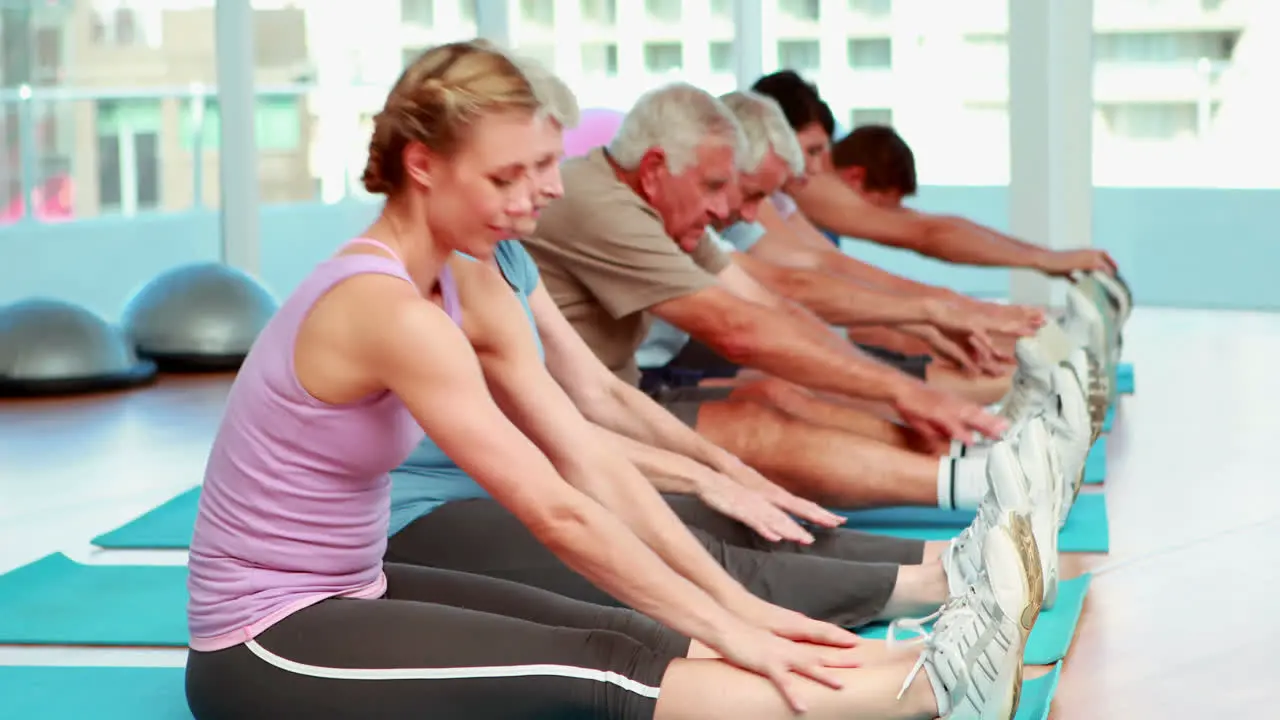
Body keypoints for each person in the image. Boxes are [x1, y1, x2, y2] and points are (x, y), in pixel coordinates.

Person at [182, 41, 1034, 720]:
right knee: (600, 666)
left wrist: (734, 608)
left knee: (633, 623)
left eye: (543, 166)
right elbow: (553, 509)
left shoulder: (467, 274)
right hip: (265, 642)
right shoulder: (388, 311)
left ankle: (915, 658)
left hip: (355, 584)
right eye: (506, 176)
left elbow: (585, 450)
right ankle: (927, 694)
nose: (537, 196)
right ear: (422, 164)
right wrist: (730, 621)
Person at [385, 56, 1021, 631]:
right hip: (436, 510)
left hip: (533, 459)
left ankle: (944, 561)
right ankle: (935, 582)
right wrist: (714, 518)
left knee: (724, 510)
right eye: (520, 171)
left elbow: (598, 393)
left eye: (546, 164)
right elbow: (562, 446)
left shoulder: (501, 257)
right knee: (676, 537)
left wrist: (726, 476)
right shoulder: (413, 286)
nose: (550, 187)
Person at [523, 82, 1059, 523]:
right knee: (762, 426)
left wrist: (909, 383)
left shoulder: (663, 205)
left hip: (622, 394)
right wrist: (911, 367)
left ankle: (979, 456)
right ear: (656, 167)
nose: (729, 208)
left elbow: (769, 306)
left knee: (783, 393)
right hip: (582, 416)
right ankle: (993, 482)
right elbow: (741, 327)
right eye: (717, 186)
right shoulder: (599, 203)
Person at [750, 70, 1118, 278]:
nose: (814, 167)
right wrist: (1043, 260)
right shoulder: (805, 186)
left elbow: (923, 224)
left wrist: (1044, 257)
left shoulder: (792, 188)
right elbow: (924, 233)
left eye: (820, 152)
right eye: (811, 152)